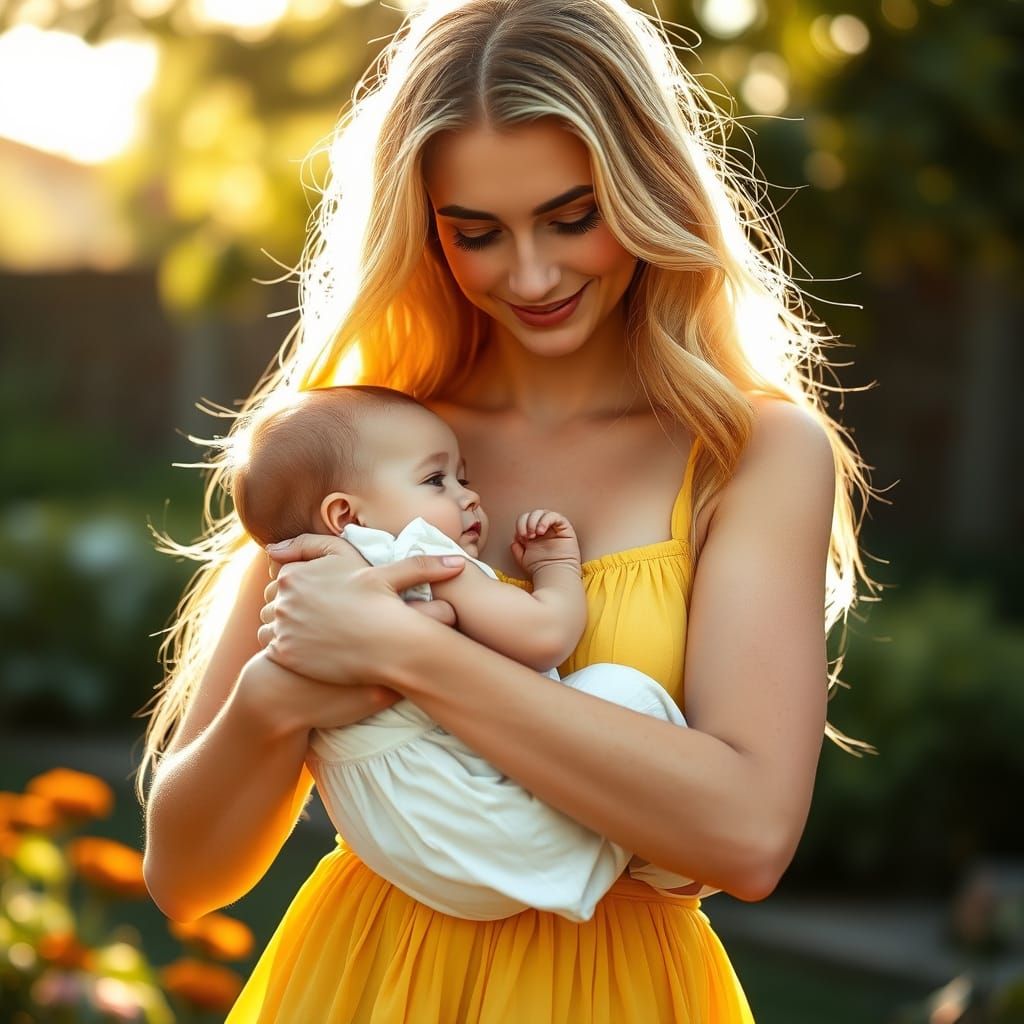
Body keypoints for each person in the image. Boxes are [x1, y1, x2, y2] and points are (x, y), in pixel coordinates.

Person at [140, 1, 877, 1020]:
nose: (529, 275)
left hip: (622, 992)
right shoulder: (367, 448)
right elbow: (186, 877)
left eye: (572, 217)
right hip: (365, 984)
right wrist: (274, 697)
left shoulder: (747, 451)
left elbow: (747, 835)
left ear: (648, 186)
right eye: (475, 233)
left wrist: (404, 655)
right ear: (425, 226)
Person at [230, 382, 702, 920]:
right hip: (480, 822)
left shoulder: (305, 588)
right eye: (436, 480)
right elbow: (544, 635)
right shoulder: (416, 552)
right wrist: (554, 570)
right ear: (347, 517)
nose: (468, 496)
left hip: (399, 842)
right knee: (623, 693)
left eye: (464, 477)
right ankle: (668, 860)